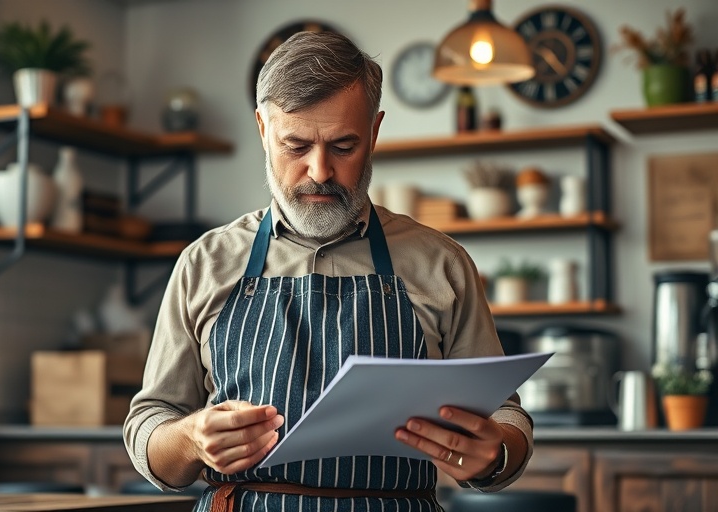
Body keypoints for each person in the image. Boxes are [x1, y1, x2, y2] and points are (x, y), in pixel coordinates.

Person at [124, 30, 533, 511]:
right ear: (262, 128)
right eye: (296, 146)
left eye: (343, 145)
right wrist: (190, 438)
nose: (320, 170)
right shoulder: (206, 262)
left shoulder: (441, 262)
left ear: (375, 132)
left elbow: (503, 412)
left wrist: (497, 452)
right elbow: (151, 420)